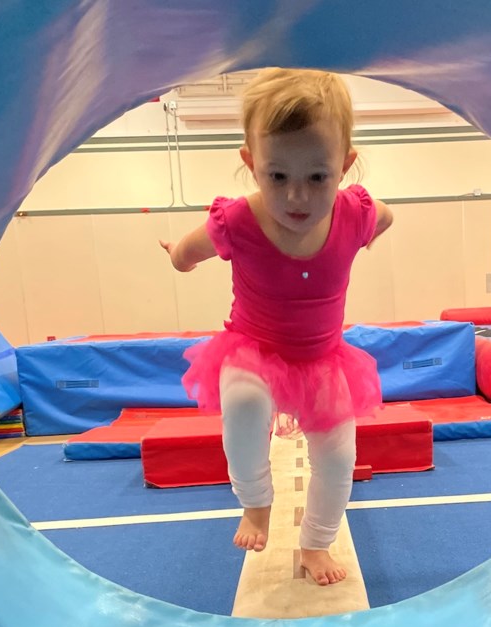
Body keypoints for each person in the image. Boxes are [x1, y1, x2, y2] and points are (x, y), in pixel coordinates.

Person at [159, 67, 394, 586]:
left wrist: (363, 234)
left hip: (323, 359)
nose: (296, 198)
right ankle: (255, 504)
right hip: (253, 350)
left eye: (317, 177)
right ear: (251, 163)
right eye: (277, 176)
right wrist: (177, 257)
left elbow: (386, 215)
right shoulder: (238, 221)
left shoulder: (355, 212)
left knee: (338, 457)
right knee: (243, 405)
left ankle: (316, 544)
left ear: (345, 166)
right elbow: (188, 250)